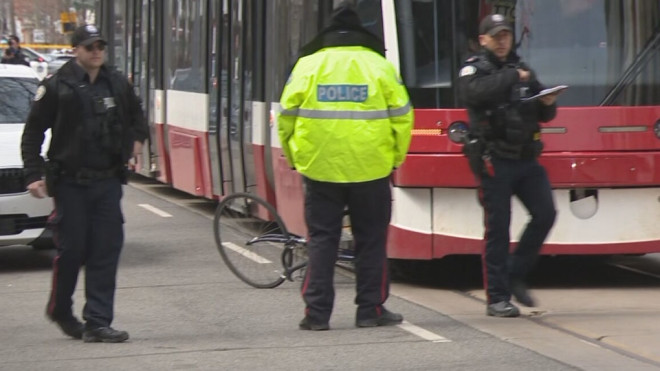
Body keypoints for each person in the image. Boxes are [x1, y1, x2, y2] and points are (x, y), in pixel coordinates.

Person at [278, 3, 414, 331]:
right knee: (371, 239)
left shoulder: (308, 65)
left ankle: (316, 314)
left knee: (323, 239)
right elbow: (403, 118)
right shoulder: (380, 66)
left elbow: (286, 117)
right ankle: (370, 310)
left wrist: (296, 157)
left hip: (321, 167)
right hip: (371, 169)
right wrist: (394, 159)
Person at [21, 24, 148, 342]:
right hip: (70, 184)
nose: (96, 52)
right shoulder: (57, 86)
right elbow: (33, 132)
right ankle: (60, 310)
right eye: (90, 46)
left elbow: (137, 117)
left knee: (106, 249)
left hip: (106, 182)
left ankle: (98, 321)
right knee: (73, 250)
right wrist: (33, 175)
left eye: (100, 46)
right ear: (76, 49)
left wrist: (137, 139)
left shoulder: (117, 82)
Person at [458, 14, 558, 318]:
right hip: (494, 161)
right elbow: (475, 93)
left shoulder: (522, 69)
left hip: (526, 159)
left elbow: (545, 116)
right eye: (496, 36)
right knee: (498, 230)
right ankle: (497, 298)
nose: (502, 41)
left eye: (506, 35)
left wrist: (548, 103)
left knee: (545, 214)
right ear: (484, 40)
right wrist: (516, 78)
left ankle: (516, 272)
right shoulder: (474, 68)